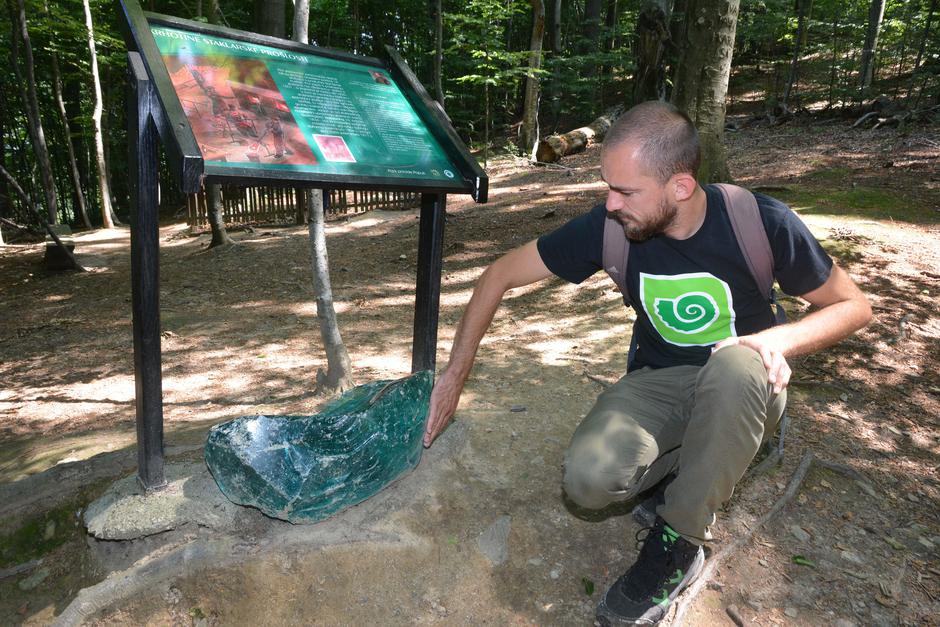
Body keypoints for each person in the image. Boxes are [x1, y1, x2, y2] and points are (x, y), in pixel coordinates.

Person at [422, 101, 872, 625]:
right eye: (607, 187)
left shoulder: (758, 220)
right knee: (589, 480)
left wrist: (781, 338)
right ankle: (680, 468)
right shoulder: (611, 226)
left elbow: (854, 306)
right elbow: (497, 275)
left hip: (745, 383)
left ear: (680, 187)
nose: (611, 203)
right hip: (660, 380)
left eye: (626, 191)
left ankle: (677, 543)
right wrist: (454, 377)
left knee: (735, 365)